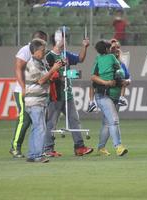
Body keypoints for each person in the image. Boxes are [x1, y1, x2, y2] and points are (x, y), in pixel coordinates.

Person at [44, 28, 93, 157]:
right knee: (51, 122)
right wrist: (62, 74)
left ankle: (79, 147)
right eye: (64, 37)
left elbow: (80, 59)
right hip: (55, 95)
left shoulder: (66, 54)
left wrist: (84, 46)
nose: (66, 39)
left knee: (74, 120)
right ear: (58, 39)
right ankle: (48, 149)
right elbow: (48, 74)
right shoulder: (49, 56)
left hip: (68, 94)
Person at [9, 30, 48, 158]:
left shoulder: (38, 54)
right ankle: (15, 147)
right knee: (24, 119)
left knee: (34, 123)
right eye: (44, 41)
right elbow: (18, 67)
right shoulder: (25, 50)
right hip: (24, 90)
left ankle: (34, 151)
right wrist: (23, 87)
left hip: (32, 90)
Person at [25, 39, 62, 163]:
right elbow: (41, 80)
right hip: (35, 101)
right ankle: (38, 155)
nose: (44, 51)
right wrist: (53, 70)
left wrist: (53, 71)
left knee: (36, 128)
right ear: (35, 51)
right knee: (40, 128)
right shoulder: (33, 64)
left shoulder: (40, 62)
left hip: (37, 100)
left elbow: (44, 79)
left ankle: (32, 154)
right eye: (42, 50)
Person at [91, 40, 128, 156]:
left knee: (107, 123)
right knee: (114, 120)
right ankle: (118, 146)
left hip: (109, 95)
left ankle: (101, 148)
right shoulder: (112, 57)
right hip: (104, 95)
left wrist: (106, 81)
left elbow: (93, 77)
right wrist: (109, 81)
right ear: (107, 49)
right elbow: (120, 72)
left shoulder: (97, 59)